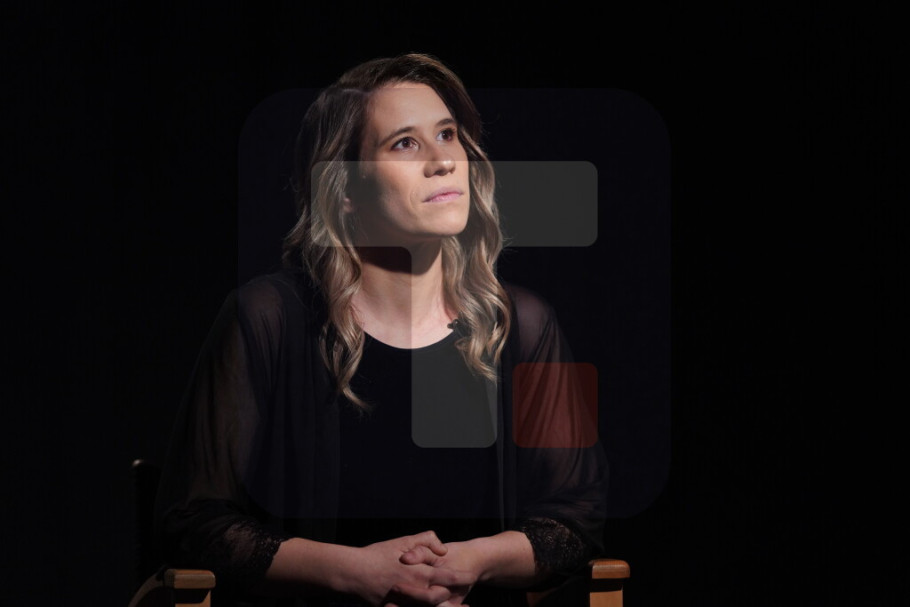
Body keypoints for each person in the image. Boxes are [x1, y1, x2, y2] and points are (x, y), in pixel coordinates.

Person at [155, 53, 608, 607]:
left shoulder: (521, 325)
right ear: (346, 188)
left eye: (447, 134)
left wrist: (467, 563)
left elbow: (576, 520)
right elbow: (195, 521)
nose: (443, 161)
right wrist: (355, 572)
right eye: (405, 143)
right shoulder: (268, 318)